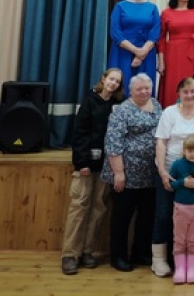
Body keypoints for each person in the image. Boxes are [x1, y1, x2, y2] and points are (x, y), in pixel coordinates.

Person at [61, 68, 124, 275]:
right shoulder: (89, 101)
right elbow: (79, 133)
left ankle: (88, 251)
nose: (113, 83)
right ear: (103, 79)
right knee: (79, 206)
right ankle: (70, 254)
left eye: (117, 81)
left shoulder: (118, 105)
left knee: (98, 208)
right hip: (86, 164)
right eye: (111, 79)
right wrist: (82, 162)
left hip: (106, 166)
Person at [152, 77, 194, 278]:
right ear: (178, 93)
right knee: (164, 214)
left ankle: (190, 263)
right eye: (185, 92)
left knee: (193, 219)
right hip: (171, 171)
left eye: (193, 91)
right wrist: (162, 171)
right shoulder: (169, 112)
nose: (189, 95)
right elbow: (161, 142)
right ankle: (159, 260)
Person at [101, 73, 163, 272]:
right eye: (139, 89)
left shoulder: (156, 105)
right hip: (126, 175)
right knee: (122, 218)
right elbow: (113, 143)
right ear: (131, 90)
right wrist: (119, 173)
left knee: (146, 217)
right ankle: (118, 256)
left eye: (147, 88)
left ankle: (140, 252)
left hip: (150, 174)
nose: (144, 92)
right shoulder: (122, 111)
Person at [156, 0, 194, 109]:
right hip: (173, 54)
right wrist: (161, 62)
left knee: (193, 82)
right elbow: (161, 39)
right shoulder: (166, 12)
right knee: (172, 83)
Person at [108, 0, 161, 93]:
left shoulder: (152, 8)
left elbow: (155, 32)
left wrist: (141, 53)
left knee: (144, 86)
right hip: (123, 51)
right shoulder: (120, 6)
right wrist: (136, 51)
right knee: (122, 85)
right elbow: (115, 31)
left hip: (146, 52)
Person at [169, 134, 194, 284]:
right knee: (180, 239)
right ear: (184, 150)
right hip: (181, 207)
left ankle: (192, 269)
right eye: (190, 150)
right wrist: (182, 182)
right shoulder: (177, 164)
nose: (193, 154)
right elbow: (171, 184)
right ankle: (180, 269)